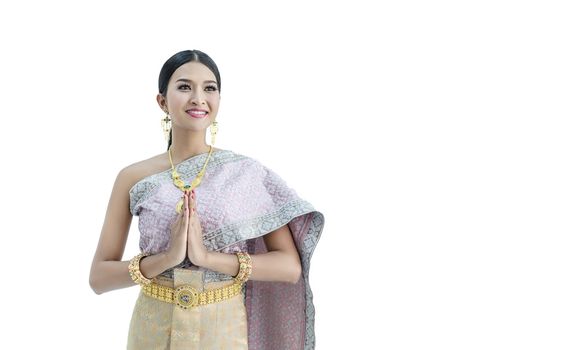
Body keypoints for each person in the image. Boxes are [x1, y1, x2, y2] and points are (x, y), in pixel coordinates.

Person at [89, 49, 325, 350]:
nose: (198, 98)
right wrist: (165, 259)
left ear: (219, 101)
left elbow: (289, 266)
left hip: (224, 329)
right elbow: (99, 277)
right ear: (162, 101)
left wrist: (208, 258)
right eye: (184, 86)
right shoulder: (133, 176)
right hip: (153, 329)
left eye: (209, 88)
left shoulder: (246, 174)